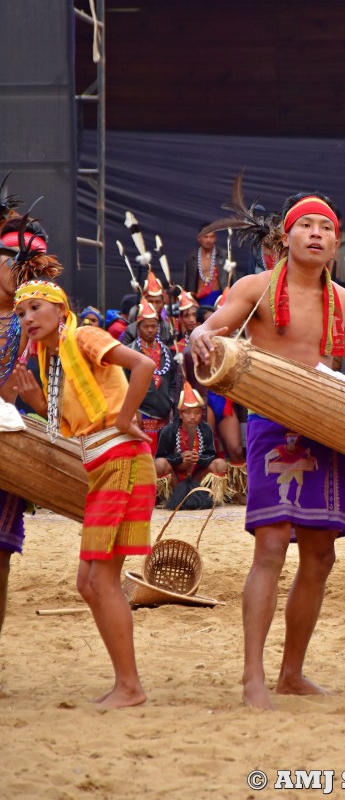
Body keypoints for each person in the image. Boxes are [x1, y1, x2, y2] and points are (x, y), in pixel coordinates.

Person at [189, 191, 345, 710]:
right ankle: (253, 676)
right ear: (286, 238)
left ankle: (292, 673)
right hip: (271, 424)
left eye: (325, 228)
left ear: (335, 243)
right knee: (271, 547)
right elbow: (213, 326)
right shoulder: (256, 288)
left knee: (321, 555)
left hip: (329, 428)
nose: (316, 234)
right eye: (306, 226)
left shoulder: (344, 301)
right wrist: (199, 333)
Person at [12, 256, 156, 709]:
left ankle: (130, 687)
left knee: (101, 581)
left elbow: (145, 366)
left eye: (36, 308)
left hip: (122, 460)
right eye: (20, 313)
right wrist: (36, 404)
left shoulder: (84, 336)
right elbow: (75, 430)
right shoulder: (54, 363)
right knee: (89, 583)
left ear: (60, 310)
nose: (27, 318)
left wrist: (129, 418)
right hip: (104, 463)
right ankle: (125, 682)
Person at [0, 204, 49, 650]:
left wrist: (31, 403)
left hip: (9, 450)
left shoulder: (39, 327)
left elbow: (62, 404)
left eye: (26, 266)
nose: (18, 273)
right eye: (11, 263)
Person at [155, 382, 227, 510]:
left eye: (197, 412)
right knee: (159, 464)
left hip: (197, 478)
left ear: (201, 413)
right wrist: (179, 459)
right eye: (188, 412)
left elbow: (211, 455)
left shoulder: (205, 430)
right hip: (175, 480)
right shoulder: (169, 431)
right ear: (181, 414)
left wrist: (198, 459)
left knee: (220, 464)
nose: (193, 417)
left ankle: (211, 497)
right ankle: (168, 497)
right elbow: (161, 457)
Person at [129, 297, 177, 456]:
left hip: (163, 416)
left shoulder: (166, 352)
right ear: (138, 327)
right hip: (142, 415)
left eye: (154, 326)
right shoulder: (130, 352)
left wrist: (169, 401)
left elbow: (173, 381)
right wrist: (134, 410)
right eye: (146, 326)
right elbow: (124, 384)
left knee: (162, 459)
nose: (150, 330)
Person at [183, 224, 229, 307]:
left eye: (212, 237)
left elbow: (232, 279)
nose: (209, 240)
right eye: (206, 237)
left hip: (220, 297)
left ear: (215, 238)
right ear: (199, 238)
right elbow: (187, 282)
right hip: (200, 299)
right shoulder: (192, 258)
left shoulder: (224, 255)